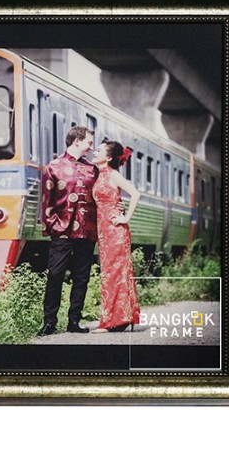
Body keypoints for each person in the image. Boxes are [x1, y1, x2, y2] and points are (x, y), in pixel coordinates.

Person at [37, 126, 98, 336]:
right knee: (55, 275)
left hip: (87, 232)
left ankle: (74, 321)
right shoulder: (52, 168)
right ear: (77, 141)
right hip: (62, 232)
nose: (91, 148)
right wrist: (55, 227)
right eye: (89, 142)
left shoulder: (93, 170)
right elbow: (46, 203)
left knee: (82, 278)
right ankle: (49, 322)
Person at [90, 139, 141, 332]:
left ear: (109, 157)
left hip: (115, 231)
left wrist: (125, 217)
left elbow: (135, 194)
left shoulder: (113, 175)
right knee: (111, 274)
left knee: (114, 274)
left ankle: (112, 321)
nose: (95, 152)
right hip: (105, 232)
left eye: (99, 150)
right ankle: (121, 318)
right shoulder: (100, 174)